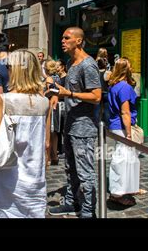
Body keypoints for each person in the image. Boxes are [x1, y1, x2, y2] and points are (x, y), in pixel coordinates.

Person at [0, 50, 51, 218]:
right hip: (34, 177)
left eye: (9, 67)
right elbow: (46, 143)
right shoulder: (44, 102)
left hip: (7, 174)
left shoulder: (4, 100)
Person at [48, 27, 101, 219]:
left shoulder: (88, 65)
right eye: (62, 37)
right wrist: (56, 92)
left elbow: (96, 96)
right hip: (70, 123)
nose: (62, 41)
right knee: (70, 167)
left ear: (78, 41)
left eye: (66, 38)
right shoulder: (71, 62)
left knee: (85, 171)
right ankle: (72, 202)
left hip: (84, 127)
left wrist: (69, 93)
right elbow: (68, 91)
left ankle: (88, 212)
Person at [107, 57, 141, 206]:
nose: (132, 69)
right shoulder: (124, 87)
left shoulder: (113, 86)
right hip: (121, 127)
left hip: (115, 126)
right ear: (126, 69)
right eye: (130, 66)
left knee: (125, 158)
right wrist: (128, 133)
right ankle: (117, 193)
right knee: (122, 159)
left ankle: (125, 189)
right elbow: (125, 112)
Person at [44, 60, 62, 166]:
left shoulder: (49, 78)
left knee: (50, 132)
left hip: (51, 105)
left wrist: (42, 93)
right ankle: (54, 155)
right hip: (57, 105)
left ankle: (50, 156)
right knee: (54, 132)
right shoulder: (57, 77)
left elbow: (52, 92)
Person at [94, 57, 112, 124]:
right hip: (106, 92)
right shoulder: (107, 72)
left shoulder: (95, 73)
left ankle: (96, 125)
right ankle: (107, 125)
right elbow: (109, 81)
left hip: (97, 92)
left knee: (97, 110)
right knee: (107, 110)